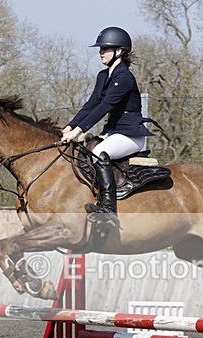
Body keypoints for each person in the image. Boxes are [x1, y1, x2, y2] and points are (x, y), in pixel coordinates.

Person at [60, 26, 154, 228]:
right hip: (113, 133)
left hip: (130, 135)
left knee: (100, 152)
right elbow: (91, 104)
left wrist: (79, 131)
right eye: (100, 49)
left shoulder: (124, 77)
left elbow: (105, 106)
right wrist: (70, 127)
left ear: (119, 51)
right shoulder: (103, 76)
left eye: (105, 49)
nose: (100, 52)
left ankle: (109, 209)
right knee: (85, 150)